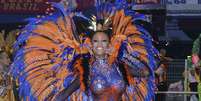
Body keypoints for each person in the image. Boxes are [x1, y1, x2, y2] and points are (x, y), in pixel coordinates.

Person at [10, 0, 159, 101]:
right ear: (91, 45)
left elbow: (145, 72)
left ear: (109, 44)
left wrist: (125, 54)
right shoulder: (86, 70)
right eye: (96, 41)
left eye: (104, 41)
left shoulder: (120, 67)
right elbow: (64, 94)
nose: (99, 44)